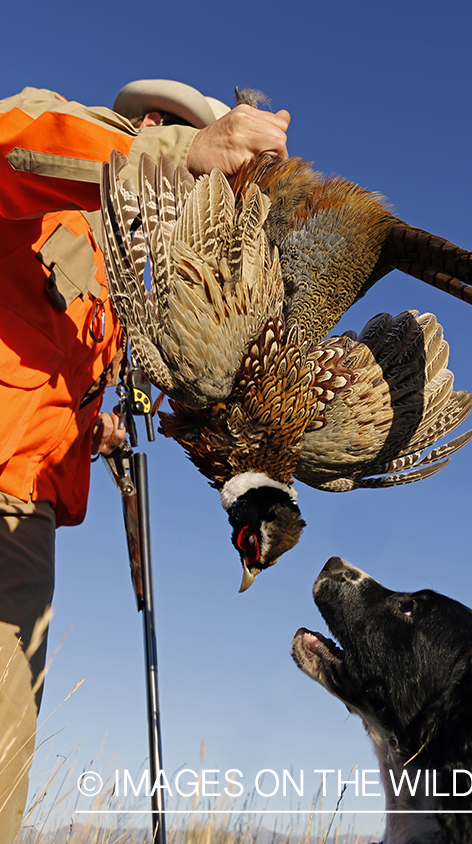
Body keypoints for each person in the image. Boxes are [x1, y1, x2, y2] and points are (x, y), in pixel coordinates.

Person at [0, 80, 290, 841]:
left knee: (4, 761)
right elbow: (17, 140)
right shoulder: (58, 176)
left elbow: (47, 367)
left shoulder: (119, 281)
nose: (203, 193)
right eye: (202, 173)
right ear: (153, 127)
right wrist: (179, 156)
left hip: (26, 506)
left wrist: (95, 428)